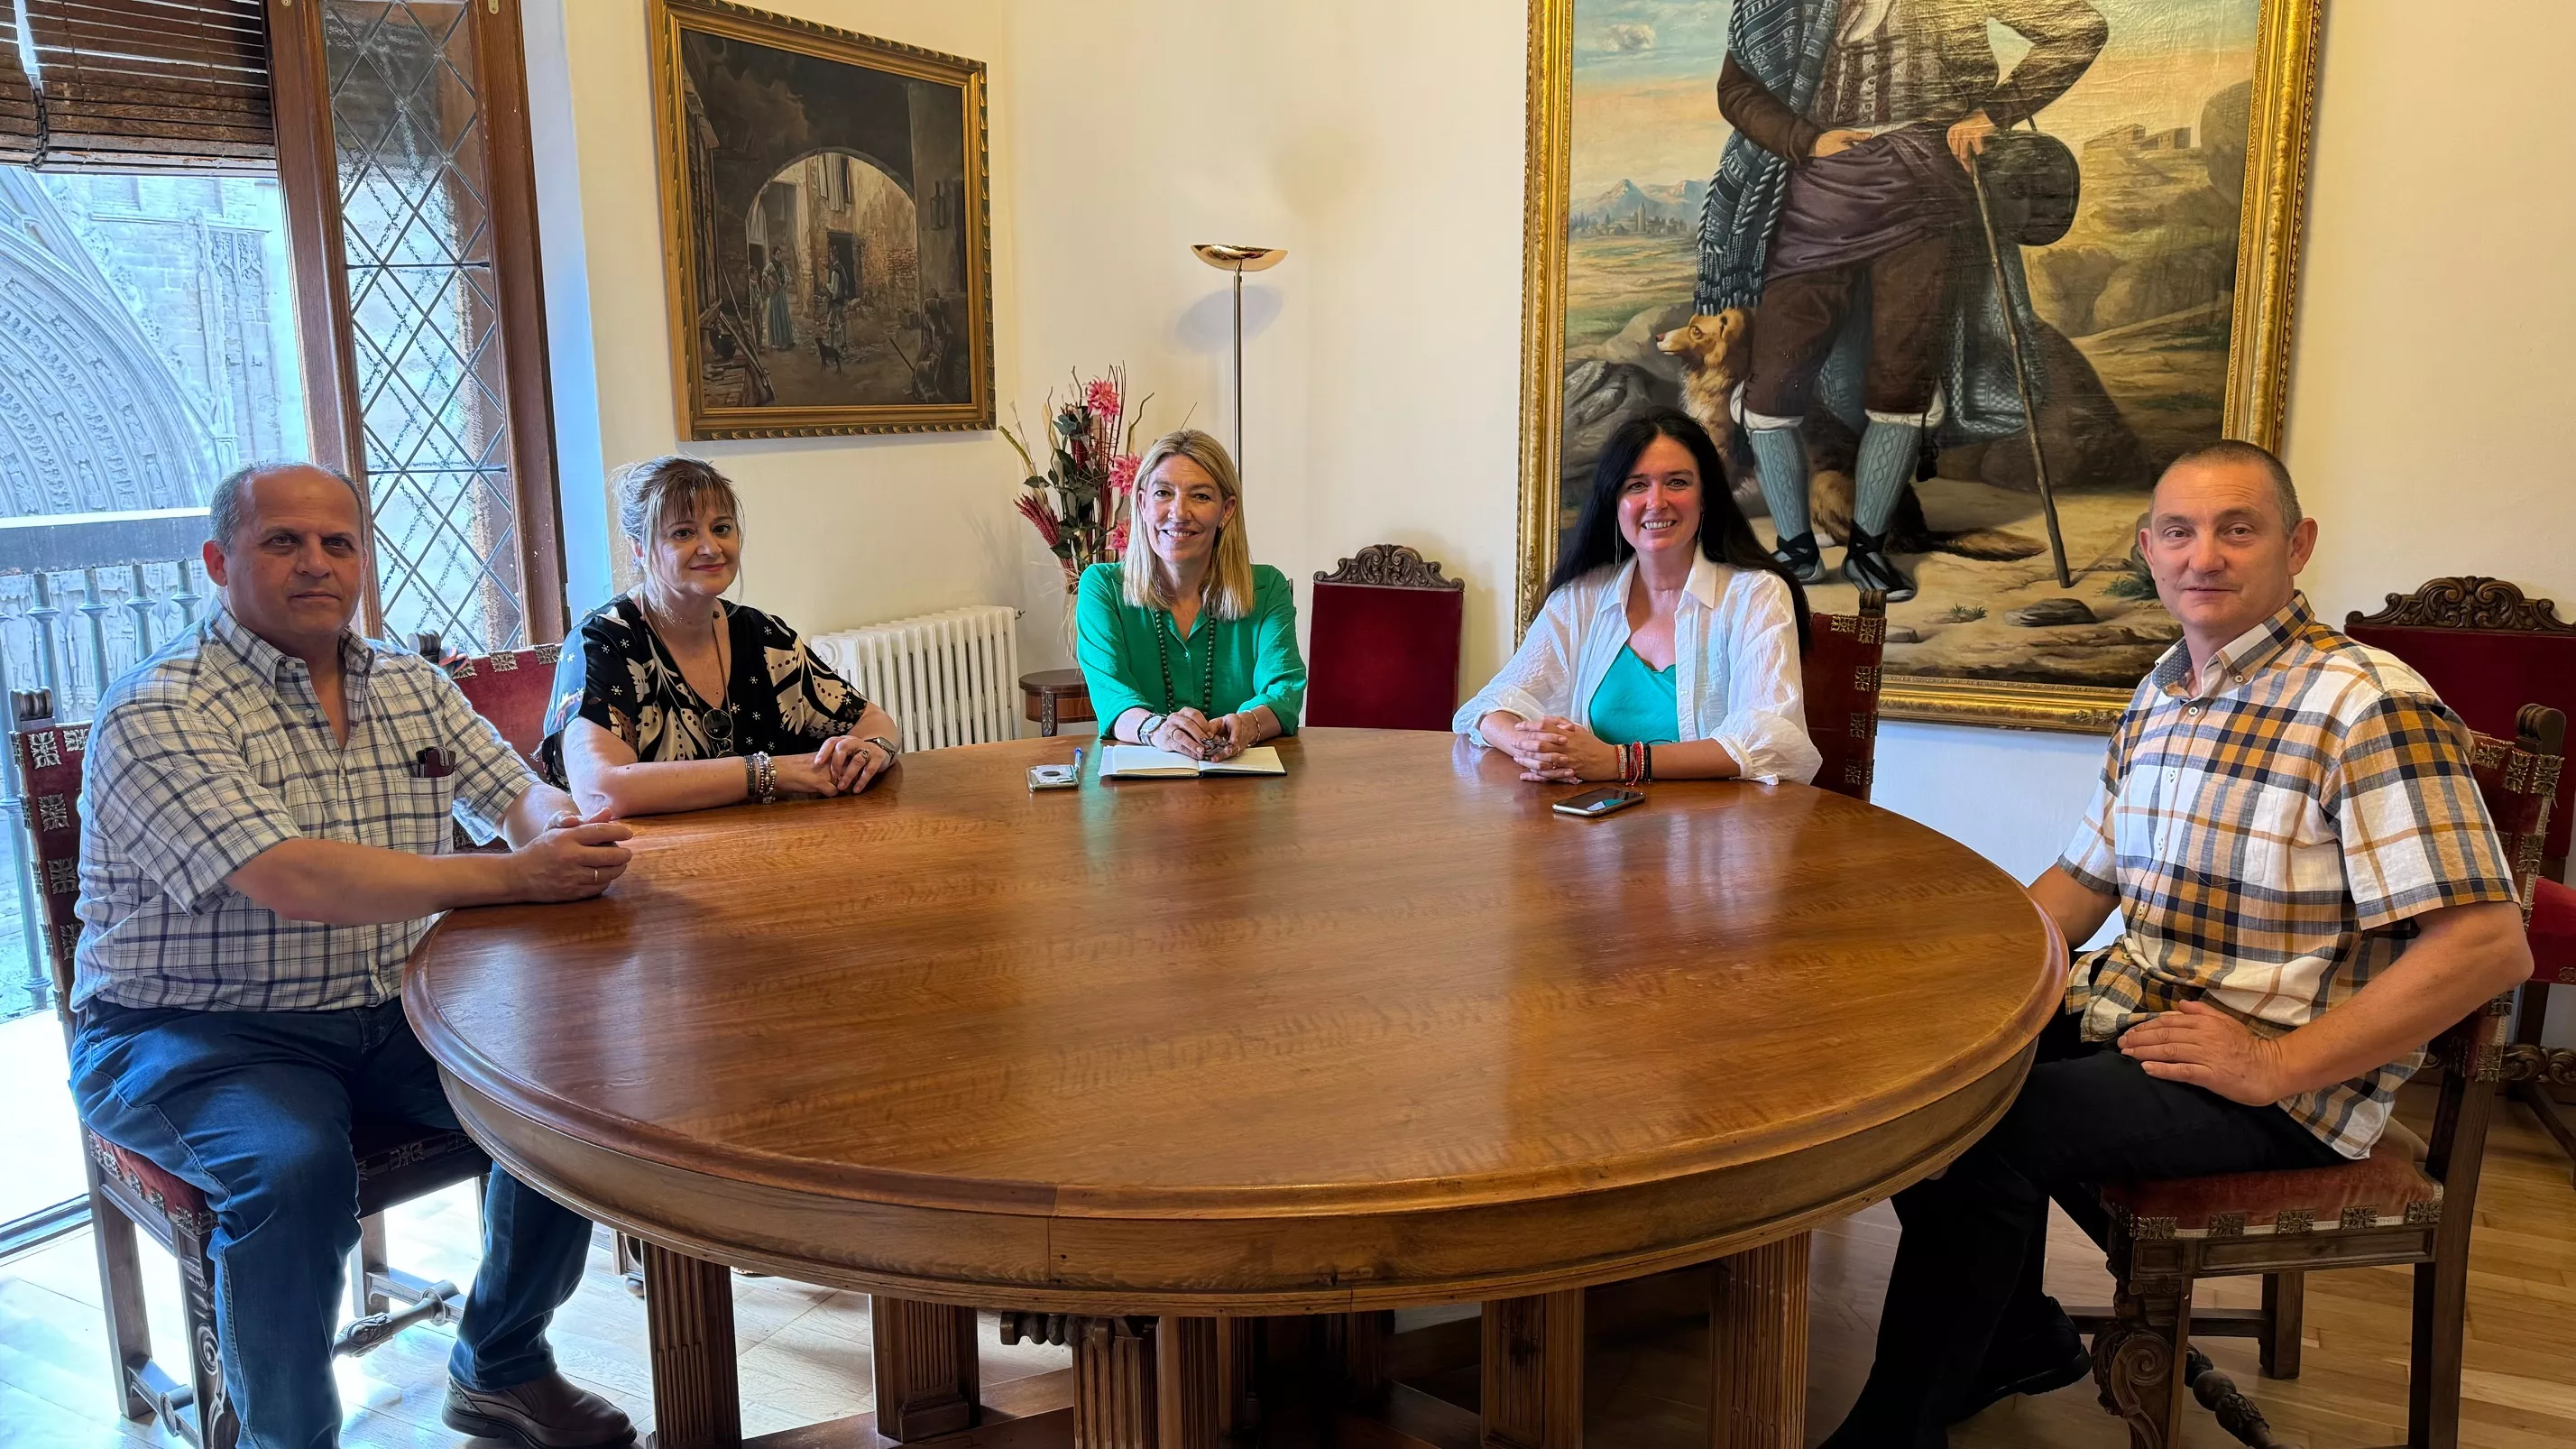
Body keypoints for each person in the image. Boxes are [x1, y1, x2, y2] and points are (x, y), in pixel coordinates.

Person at [1819, 441, 2535, 1448]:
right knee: (1923, 1076)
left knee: (1972, 1131)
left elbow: (2488, 947)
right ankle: (2014, 1339)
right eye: (2179, 531)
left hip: (2280, 1082)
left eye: (2237, 528)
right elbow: (2082, 881)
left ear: (2298, 546)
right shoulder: (2163, 692)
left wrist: (2273, 1062)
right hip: (2150, 1022)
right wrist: (1959, 993)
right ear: (2149, 551)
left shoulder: (2366, 707)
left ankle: (1896, 1427)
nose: (2205, 555)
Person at [68, 463, 641, 1449]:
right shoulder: (159, 708)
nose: (316, 563)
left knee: (566, 1113)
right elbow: (296, 878)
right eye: (282, 541)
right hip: (191, 1032)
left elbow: (514, 796)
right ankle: (284, 1439)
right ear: (219, 560)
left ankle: (500, 1363)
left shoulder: (411, 685)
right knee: (291, 1175)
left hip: (389, 1006)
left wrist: (565, 824)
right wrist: (519, 877)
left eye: (338, 543)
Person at [1705, 0, 2106, 599]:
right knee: (1774, 383)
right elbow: (1736, 88)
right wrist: (1805, 139)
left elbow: (2080, 30)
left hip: (1925, 194)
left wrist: (1992, 112)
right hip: (1816, 197)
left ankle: (1869, 549)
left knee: (1903, 377)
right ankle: (1796, 549)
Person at [1456, 409, 1821, 788]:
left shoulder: (1757, 595)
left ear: (1705, 497)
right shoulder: (1582, 597)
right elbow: (1489, 706)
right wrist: (1523, 743)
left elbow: (1772, 742)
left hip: (1716, 835)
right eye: (1636, 485)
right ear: (1615, 503)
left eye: (1677, 482)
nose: (1656, 501)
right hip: (1593, 834)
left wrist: (1620, 762)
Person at [541, 457, 902, 817]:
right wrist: (770, 772)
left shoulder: (764, 635)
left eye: (722, 528)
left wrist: (873, 750)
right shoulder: (602, 642)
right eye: (683, 533)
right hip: (657, 864)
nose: (711, 547)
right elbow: (602, 791)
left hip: (780, 847)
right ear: (638, 547)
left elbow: (874, 720)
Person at [1076, 429, 1304, 760]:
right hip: (1137, 795)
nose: (1179, 513)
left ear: (1226, 510)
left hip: (1244, 788)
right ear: (1141, 503)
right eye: (1163, 493)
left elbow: (1285, 691)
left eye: (1200, 496)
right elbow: (1112, 697)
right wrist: (1158, 730)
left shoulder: (1268, 588)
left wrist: (1249, 724)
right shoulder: (1102, 587)